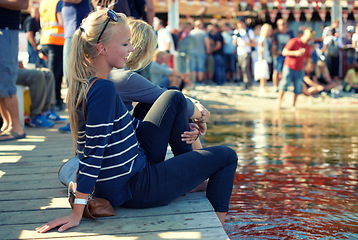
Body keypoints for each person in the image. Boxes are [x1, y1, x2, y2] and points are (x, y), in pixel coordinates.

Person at [36, 9, 237, 233]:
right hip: (136, 186)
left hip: (128, 174)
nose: (131, 49)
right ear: (102, 49)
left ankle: (190, 178)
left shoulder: (93, 85)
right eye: (125, 44)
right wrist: (77, 212)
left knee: (172, 96)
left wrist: (178, 124)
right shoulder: (103, 90)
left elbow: (125, 129)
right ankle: (216, 230)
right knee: (228, 156)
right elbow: (93, 153)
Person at [0, 0, 28, 141]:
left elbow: (23, 4)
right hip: (4, 30)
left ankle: (16, 126)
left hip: (6, 30)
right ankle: (7, 124)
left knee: (6, 79)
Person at [277, 28, 315, 110]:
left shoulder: (308, 46)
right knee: (284, 85)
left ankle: (293, 106)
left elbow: (308, 57)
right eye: (307, 37)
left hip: (299, 69)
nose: (308, 40)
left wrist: (306, 66)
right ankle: (278, 104)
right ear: (303, 35)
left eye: (309, 39)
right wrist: (295, 53)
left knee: (298, 87)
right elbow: (284, 52)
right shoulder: (294, 41)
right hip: (288, 67)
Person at [39, 0, 65, 110]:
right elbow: (61, 22)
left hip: (45, 40)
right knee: (56, 74)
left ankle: (54, 99)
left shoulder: (44, 3)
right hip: (57, 40)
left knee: (52, 72)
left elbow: (41, 23)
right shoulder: (58, 2)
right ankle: (55, 100)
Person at [271, 18, 294, 91]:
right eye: (281, 24)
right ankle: (275, 86)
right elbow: (273, 44)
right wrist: (275, 53)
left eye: (284, 23)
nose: (282, 26)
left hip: (288, 55)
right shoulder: (276, 33)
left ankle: (283, 86)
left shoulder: (290, 32)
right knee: (276, 71)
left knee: (285, 71)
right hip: (278, 55)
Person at [233, 18, 255, 90]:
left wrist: (247, 44)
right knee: (240, 68)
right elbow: (234, 43)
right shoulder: (237, 32)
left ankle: (247, 83)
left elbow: (254, 43)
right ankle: (243, 83)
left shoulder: (249, 31)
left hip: (246, 51)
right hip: (239, 52)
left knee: (245, 68)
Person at [189, 20, 211, 84]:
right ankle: (200, 81)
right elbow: (207, 42)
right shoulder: (203, 33)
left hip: (192, 52)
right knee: (201, 67)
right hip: (201, 52)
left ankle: (194, 82)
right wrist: (208, 49)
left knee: (193, 67)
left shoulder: (191, 33)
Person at [256, 23, 272, 93]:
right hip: (264, 57)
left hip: (267, 56)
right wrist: (260, 57)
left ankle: (263, 86)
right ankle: (262, 87)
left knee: (265, 72)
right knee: (263, 73)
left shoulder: (267, 38)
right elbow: (260, 48)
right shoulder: (262, 38)